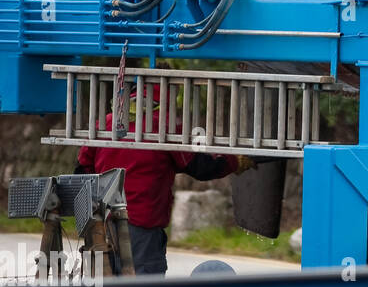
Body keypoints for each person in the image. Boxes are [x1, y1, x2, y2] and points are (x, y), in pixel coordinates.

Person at [76, 87, 251, 275]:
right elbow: (200, 166)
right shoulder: (163, 125)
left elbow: (81, 171)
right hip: (140, 227)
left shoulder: (106, 123)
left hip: (101, 226)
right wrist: (234, 161)